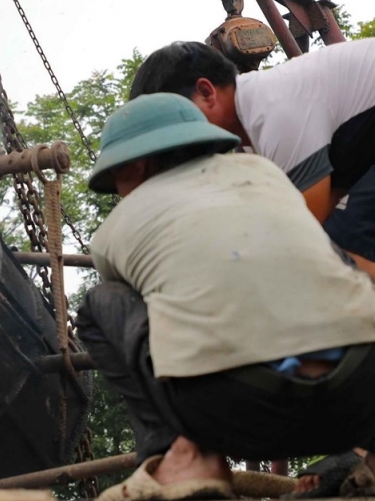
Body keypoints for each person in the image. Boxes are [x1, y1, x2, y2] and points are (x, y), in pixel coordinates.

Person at [78, 93, 375, 501]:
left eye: (117, 181)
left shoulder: (110, 234)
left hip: (236, 413)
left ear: (138, 164)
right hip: (361, 399)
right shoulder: (265, 174)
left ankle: (182, 457)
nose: (120, 194)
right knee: (332, 260)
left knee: (102, 303)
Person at [128, 39, 375, 281]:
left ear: (206, 92)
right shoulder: (250, 141)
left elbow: (307, 230)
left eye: (174, 123)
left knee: (342, 246)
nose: (176, 146)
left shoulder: (273, 109)